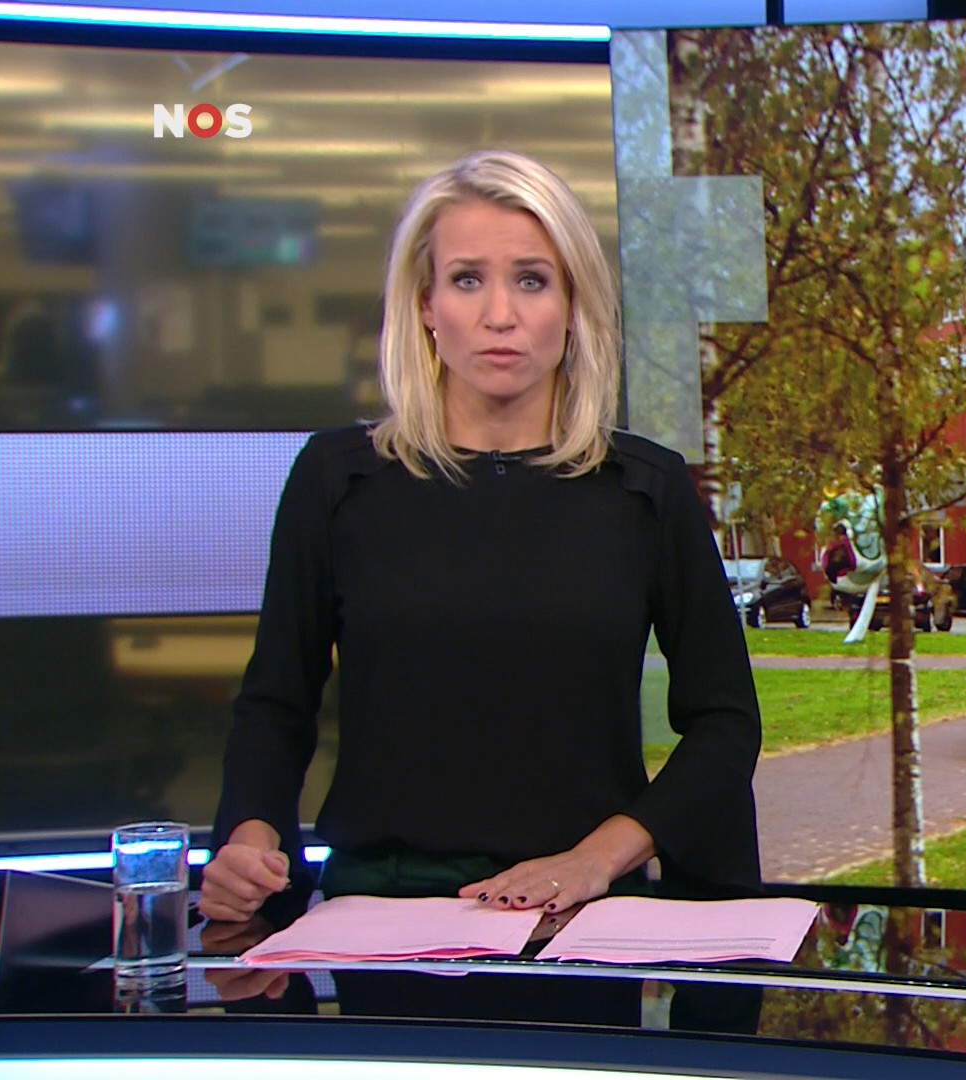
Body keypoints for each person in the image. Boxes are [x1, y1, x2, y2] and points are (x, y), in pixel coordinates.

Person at [199, 150, 763, 928]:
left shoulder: (645, 490)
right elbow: (276, 704)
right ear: (426, 304)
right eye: (467, 280)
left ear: (573, 304)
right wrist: (249, 838)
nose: (501, 314)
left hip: (585, 916)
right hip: (382, 911)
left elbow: (725, 725)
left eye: (531, 280)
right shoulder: (337, 480)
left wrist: (598, 858)